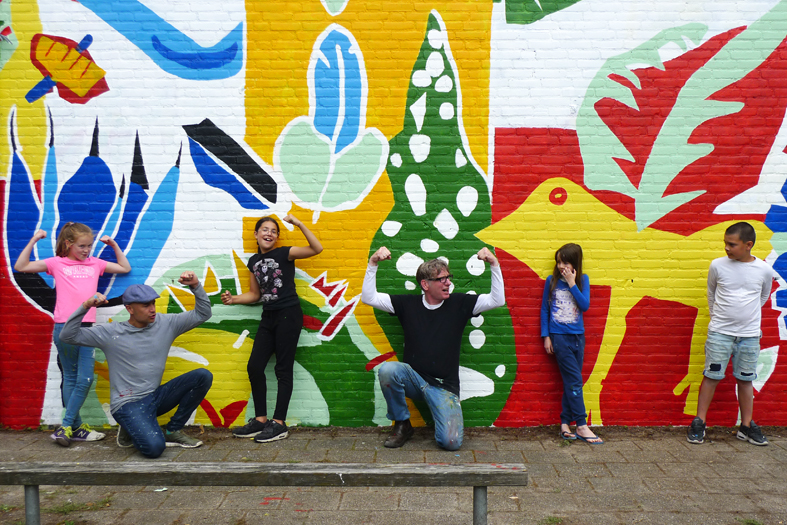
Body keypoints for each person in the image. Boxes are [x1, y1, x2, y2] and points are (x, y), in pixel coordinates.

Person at [361, 246, 505, 450]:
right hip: (415, 379)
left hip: (444, 387)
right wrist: (373, 263)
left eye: (449, 277)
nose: (448, 283)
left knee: (451, 443)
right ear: (425, 284)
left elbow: (497, 300)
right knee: (388, 370)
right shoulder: (407, 304)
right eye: (442, 279)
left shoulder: (460, 303)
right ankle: (402, 425)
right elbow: (369, 298)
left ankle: (441, 418)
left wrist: (494, 264)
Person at [59, 271, 213, 458]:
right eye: (146, 305)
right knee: (154, 449)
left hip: (154, 397)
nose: (152, 309)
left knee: (202, 376)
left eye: (153, 303)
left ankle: (172, 430)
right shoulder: (111, 332)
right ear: (130, 309)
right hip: (127, 403)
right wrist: (85, 307)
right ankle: (130, 426)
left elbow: (203, 313)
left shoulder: (166, 323)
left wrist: (195, 286)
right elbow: (67, 336)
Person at [14, 222, 131, 447]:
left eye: (89, 245)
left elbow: (124, 268)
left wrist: (114, 245)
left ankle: (68, 426)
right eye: (82, 246)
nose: (87, 250)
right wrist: (34, 239)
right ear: (68, 244)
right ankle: (71, 426)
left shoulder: (95, 263)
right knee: (71, 376)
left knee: (84, 378)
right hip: (63, 326)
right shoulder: (56, 263)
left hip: (86, 328)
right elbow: (21, 265)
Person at [224, 214, 323, 443]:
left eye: (273, 231)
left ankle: (278, 423)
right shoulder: (253, 262)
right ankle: (260, 420)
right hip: (268, 316)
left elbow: (316, 248)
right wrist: (234, 299)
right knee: (255, 366)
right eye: (264, 230)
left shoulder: (285, 253)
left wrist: (298, 224)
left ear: (277, 237)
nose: (269, 233)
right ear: (256, 234)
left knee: (282, 368)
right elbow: (255, 295)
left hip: (289, 314)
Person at [687, 222, 775, 446]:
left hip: (749, 336)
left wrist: (747, 320)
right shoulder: (718, 265)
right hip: (720, 334)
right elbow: (711, 294)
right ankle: (699, 422)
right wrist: (720, 320)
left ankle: (746, 426)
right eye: (725, 243)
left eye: (732, 244)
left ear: (748, 245)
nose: (726, 248)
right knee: (711, 376)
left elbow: (762, 297)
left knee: (746, 380)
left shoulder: (764, 270)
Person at [541, 243, 602, 444]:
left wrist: (572, 283)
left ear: (575, 263)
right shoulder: (551, 281)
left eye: (565, 262)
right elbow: (544, 310)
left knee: (571, 381)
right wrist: (546, 336)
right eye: (558, 261)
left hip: (578, 338)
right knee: (575, 380)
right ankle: (582, 425)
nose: (561, 266)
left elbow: (585, 305)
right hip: (559, 337)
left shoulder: (582, 280)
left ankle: (565, 423)